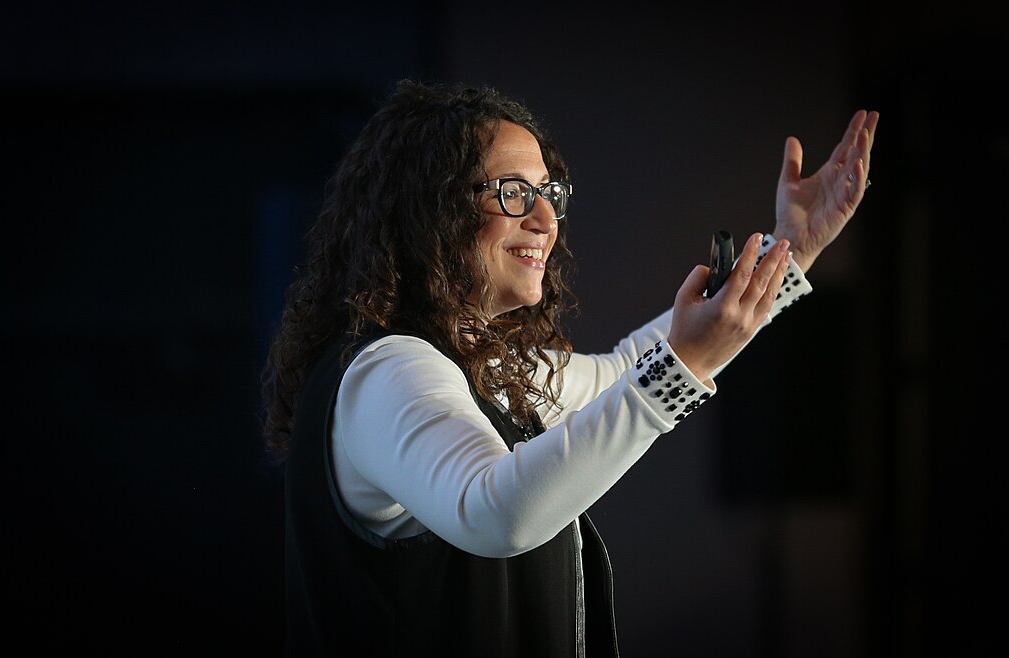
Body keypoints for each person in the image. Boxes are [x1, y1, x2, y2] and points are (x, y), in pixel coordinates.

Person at [260, 78, 879, 657]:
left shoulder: (480, 363)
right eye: (512, 192)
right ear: (427, 209)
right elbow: (494, 512)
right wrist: (684, 364)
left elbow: (626, 373)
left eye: (548, 195)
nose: (545, 221)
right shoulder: (388, 370)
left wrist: (789, 253)